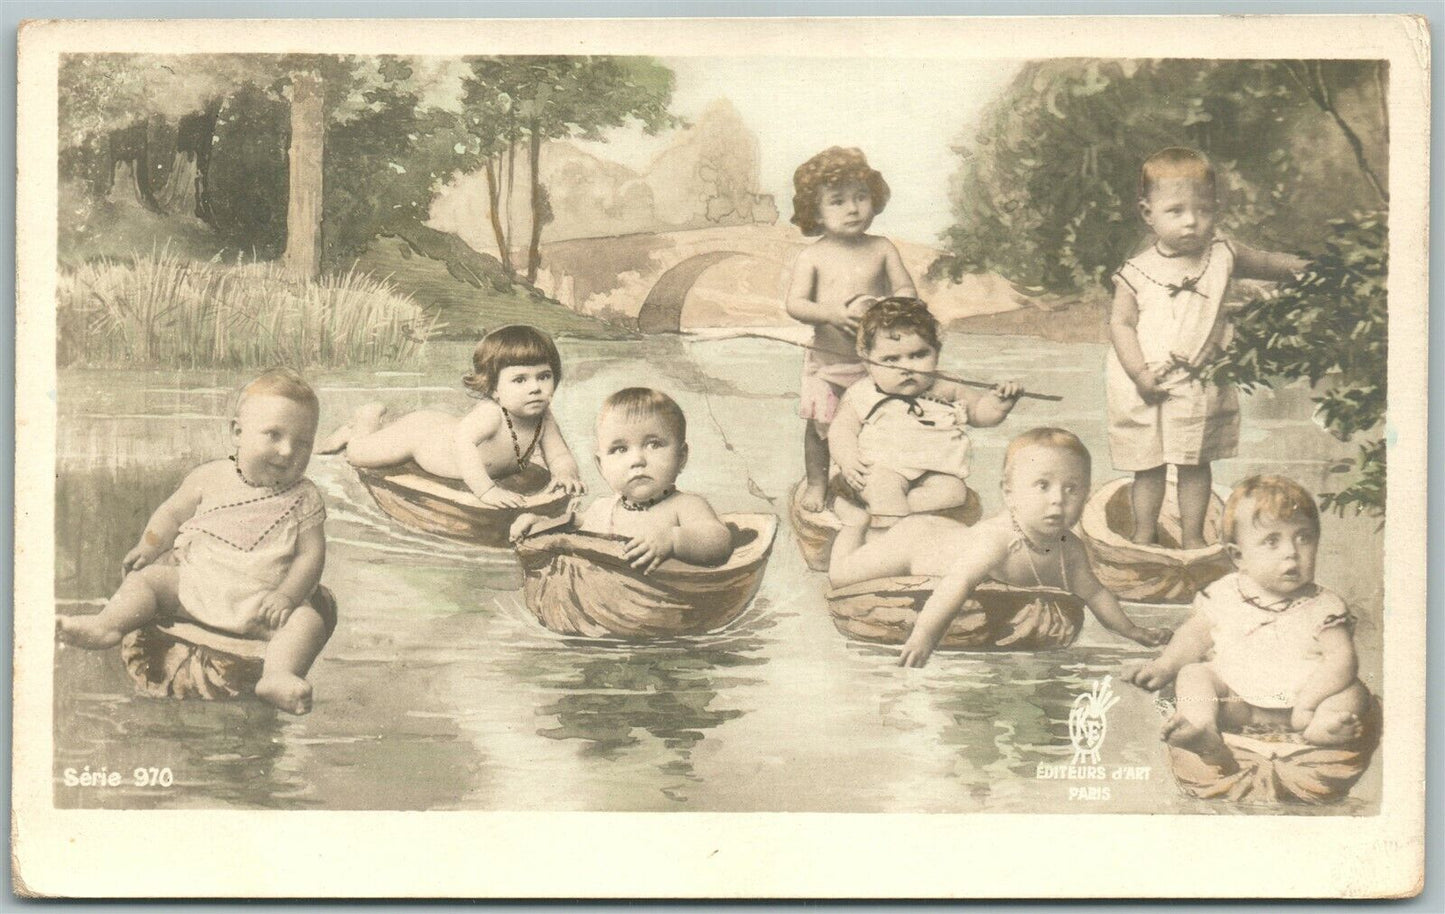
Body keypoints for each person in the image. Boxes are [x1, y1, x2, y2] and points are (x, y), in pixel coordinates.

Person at [57, 369, 333, 715]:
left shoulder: (304, 497)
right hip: (197, 589)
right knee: (149, 581)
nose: (288, 450)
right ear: (238, 432)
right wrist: (150, 544)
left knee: (308, 622)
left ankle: (277, 675)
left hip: (261, 606)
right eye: (273, 435)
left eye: (303, 442)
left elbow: (311, 556)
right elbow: (170, 515)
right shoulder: (210, 477)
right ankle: (106, 625)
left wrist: (287, 596)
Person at [829, 428, 1172, 667]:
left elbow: (1095, 594)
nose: (1057, 500)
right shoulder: (999, 540)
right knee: (843, 576)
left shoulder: (1071, 548)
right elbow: (956, 584)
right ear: (1009, 493)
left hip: (949, 533)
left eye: (1072, 489)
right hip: (916, 544)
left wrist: (1133, 631)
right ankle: (854, 524)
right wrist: (924, 636)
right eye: (1042, 485)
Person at [1107, 148, 1308, 549]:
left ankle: (1194, 536)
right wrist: (1140, 375)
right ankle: (1144, 533)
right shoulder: (1137, 272)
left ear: (1215, 210)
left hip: (1198, 378)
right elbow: (1122, 325)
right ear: (1148, 214)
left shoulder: (1222, 254)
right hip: (1144, 378)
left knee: (1194, 459)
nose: (1191, 222)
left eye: (1203, 210)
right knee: (1147, 465)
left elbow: (1268, 262)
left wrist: (1309, 266)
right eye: (1176, 211)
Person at [1122, 476, 1370, 772]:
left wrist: (1308, 703)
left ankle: (1325, 726)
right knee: (1193, 674)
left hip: (1307, 704)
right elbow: (1195, 636)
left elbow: (1342, 660)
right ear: (1239, 556)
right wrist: (1164, 666)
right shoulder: (1225, 593)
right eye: (1272, 541)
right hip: (1239, 704)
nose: (1292, 551)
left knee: (1354, 691)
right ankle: (1202, 726)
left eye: (1303, 537)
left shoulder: (1324, 605)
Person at [784, 146, 917, 512]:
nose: (853, 208)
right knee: (819, 427)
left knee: (879, 426)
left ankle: (879, 483)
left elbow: (907, 290)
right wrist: (829, 313)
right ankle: (816, 483)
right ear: (816, 211)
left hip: (872, 367)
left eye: (861, 197)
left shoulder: (882, 249)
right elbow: (795, 304)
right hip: (827, 363)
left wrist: (888, 307)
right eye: (838, 201)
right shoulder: (812, 256)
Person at [319, 325, 584, 506]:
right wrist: (486, 490)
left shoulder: (544, 417)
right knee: (359, 454)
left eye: (544, 376)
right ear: (494, 390)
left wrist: (565, 473)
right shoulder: (491, 415)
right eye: (520, 380)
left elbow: (559, 454)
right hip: (423, 438)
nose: (535, 387)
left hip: (442, 425)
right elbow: (462, 442)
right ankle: (364, 421)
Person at [829, 297, 1021, 529]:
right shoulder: (863, 392)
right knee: (884, 488)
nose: (907, 367)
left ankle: (897, 515)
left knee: (955, 492)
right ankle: (887, 545)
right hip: (880, 468)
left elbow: (980, 414)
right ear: (868, 363)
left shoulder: (947, 387)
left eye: (919, 355)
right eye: (891, 359)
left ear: (936, 352)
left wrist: (999, 403)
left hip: (933, 472)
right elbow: (841, 430)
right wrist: (848, 460)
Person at [510, 388, 733, 573]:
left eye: (653, 444)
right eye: (620, 449)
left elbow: (720, 542)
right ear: (601, 465)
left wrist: (673, 540)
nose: (637, 460)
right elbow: (574, 523)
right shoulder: (603, 508)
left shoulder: (685, 506)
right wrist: (540, 523)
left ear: (681, 457)